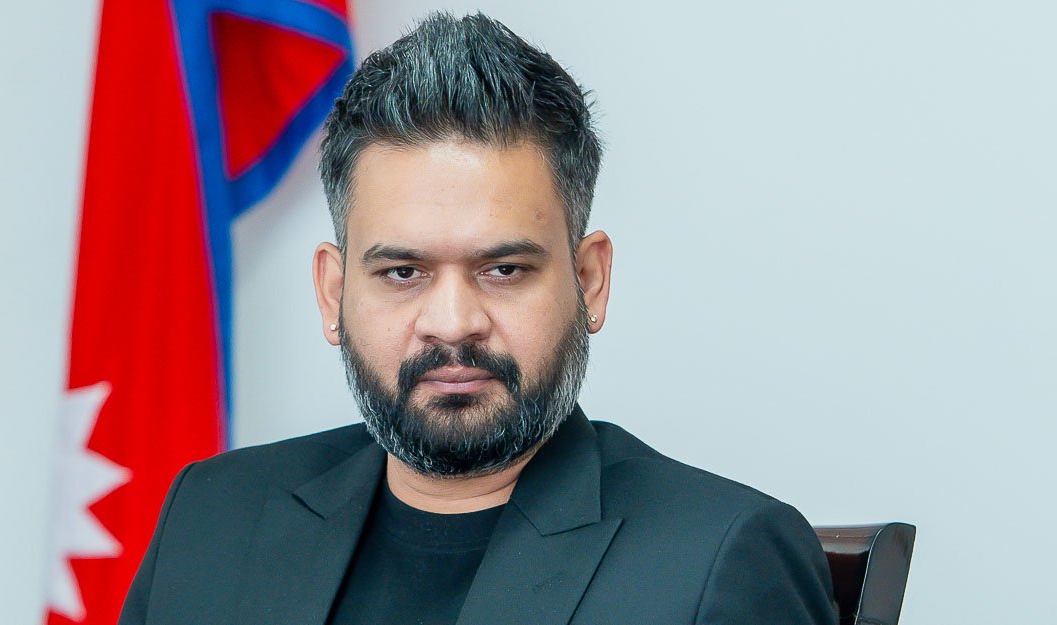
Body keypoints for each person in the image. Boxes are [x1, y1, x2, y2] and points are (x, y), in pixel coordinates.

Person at [119, 11, 836, 625]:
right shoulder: (210, 516)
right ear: (333, 292)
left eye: (504, 270)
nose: (454, 322)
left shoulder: (721, 558)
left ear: (589, 281)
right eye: (403, 272)